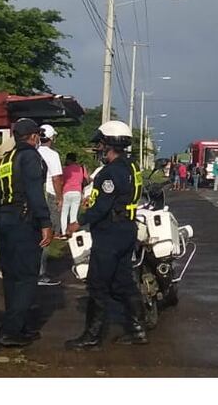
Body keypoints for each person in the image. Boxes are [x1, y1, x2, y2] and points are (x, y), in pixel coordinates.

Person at [65, 120, 147, 350]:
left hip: (110, 234)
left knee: (97, 284)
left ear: (110, 144)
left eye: (101, 144)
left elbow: (101, 207)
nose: (99, 149)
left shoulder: (109, 174)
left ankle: (92, 337)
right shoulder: (132, 166)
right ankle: (138, 330)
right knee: (123, 283)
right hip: (127, 230)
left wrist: (78, 222)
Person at [0, 119, 54, 347]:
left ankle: (16, 325)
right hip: (24, 221)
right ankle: (11, 330)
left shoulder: (6, 158)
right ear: (34, 136)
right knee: (27, 277)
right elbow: (34, 192)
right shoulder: (30, 157)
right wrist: (45, 222)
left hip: (5, 220)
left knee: (11, 276)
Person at [35, 124, 65, 286]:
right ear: (52, 138)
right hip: (48, 196)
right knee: (47, 234)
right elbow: (56, 179)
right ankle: (40, 274)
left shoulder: (32, 152)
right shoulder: (53, 155)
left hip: (33, 196)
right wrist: (60, 198)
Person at [60, 152, 86, 235]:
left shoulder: (65, 170)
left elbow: (61, 182)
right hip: (77, 192)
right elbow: (86, 180)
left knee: (64, 213)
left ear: (68, 160)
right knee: (74, 214)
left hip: (67, 192)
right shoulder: (81, 169)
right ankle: (72, 232)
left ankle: (64, 232)